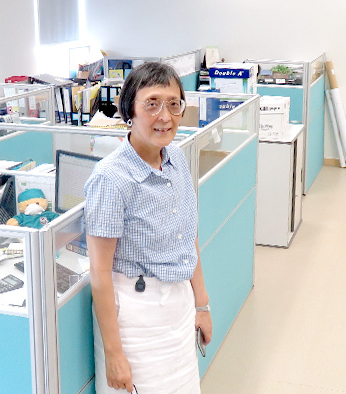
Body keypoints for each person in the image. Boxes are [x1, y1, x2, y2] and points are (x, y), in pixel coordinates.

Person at [84, 62, 212, 394]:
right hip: (134, 322)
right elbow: (99, 272)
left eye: (173, 104)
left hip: (178, 310)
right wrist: (114, 354)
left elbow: (188, 236)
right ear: (130, 111)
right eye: (152, 104)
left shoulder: (177, 159)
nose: (165, 116)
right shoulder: (111, 179)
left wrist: (202, 305)